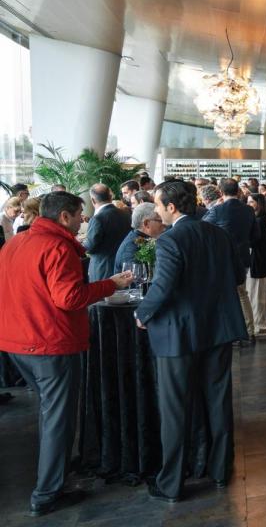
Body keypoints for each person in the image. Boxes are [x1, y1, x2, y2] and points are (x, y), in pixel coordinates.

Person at [0, 192, 132, 517]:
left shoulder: (15, 243)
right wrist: (109, 284)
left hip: (17, 341)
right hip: (50, 341)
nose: (82, 221)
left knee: (51, 413)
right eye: (78, 215)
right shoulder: (58, 247)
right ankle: (47, 493)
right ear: (64, 216)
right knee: (58, 418)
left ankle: (55, 472)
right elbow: (69, 298)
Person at [134, 181, 247, 503]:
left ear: (171, 207)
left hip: (179, 333)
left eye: (158, 205)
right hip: (218, 327)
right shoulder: (218, 234)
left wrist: (142, 313)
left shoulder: (170, 240)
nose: (157, 211)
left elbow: (163, 287)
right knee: (218, 401)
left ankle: (171, 483)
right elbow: (238, 276)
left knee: (175, 409)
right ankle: (220, 469)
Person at [204, 178, 259, 341]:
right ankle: (249, 330)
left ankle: (230, 332)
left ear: (221, 192)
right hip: (243, 256)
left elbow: (202, 227)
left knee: (223, 295)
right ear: (238, 191)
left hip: (222, 258)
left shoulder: (217, 210)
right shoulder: (248, 210)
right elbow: (256, 235)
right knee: (242, 293)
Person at [84, 184, 133, 281]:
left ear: (93, 200)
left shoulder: (97, 218)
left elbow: (90, 248)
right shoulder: (126, 214)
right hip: (124, 267)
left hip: (103, 270)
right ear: (110, 197)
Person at [113, 202, 165, 272]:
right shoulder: (130, 248)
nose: (164, 224)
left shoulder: (142, 238)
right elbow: (137, 277)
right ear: (146, 223)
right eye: (161, 221)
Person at [247, 193, 266, 336]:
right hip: (258, 260)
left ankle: (261, 325)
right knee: (255, 294)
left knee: (257, 295)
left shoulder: (260, 220)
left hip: (258, 261)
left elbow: (255, 241)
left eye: (251, 202)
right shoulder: (259, 219)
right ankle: (258, 324)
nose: (249, 204)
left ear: (259, 203)